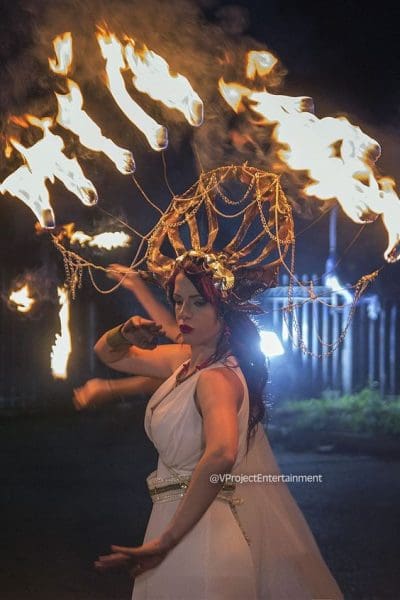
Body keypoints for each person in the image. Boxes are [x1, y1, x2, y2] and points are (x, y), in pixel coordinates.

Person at [93, 252, 344, 600]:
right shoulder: (186, 363)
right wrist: (125, 331)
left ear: (224, 310)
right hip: (172, 529)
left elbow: (222, 453)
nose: (183, 312)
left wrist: (166, 542)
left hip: (200, 539)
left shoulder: (217, 378)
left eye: (199, 303)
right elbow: (109, 354)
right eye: (178, 301)